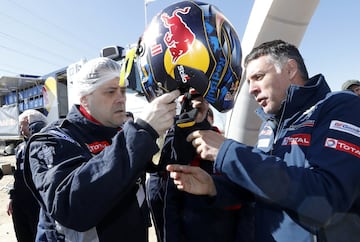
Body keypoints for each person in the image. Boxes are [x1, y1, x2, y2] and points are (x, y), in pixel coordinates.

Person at [167, 40, 360, 242]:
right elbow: (265, 188)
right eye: (249, 82)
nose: (251, 89)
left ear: (290, 69)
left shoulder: (340, 106)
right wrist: (214, 187)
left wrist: (229, 151)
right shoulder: (269, 125)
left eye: (258, 77)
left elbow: (330, 198)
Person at [23, 57, 179, 242]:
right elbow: (69, 204)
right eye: (111, 91)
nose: (121, 99)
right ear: (85, 99)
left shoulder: (123, 133)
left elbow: (161, 168)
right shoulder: (52, 139)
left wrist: (187, 124)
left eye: (122, 90)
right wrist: (142, 132)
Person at [7, 109, 47, 242]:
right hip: (21, 203)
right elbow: (18, 175)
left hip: (37, 203)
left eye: (22, 124)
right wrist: (12, 198)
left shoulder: (46, 144)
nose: (20, 128)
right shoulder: (20, 148)